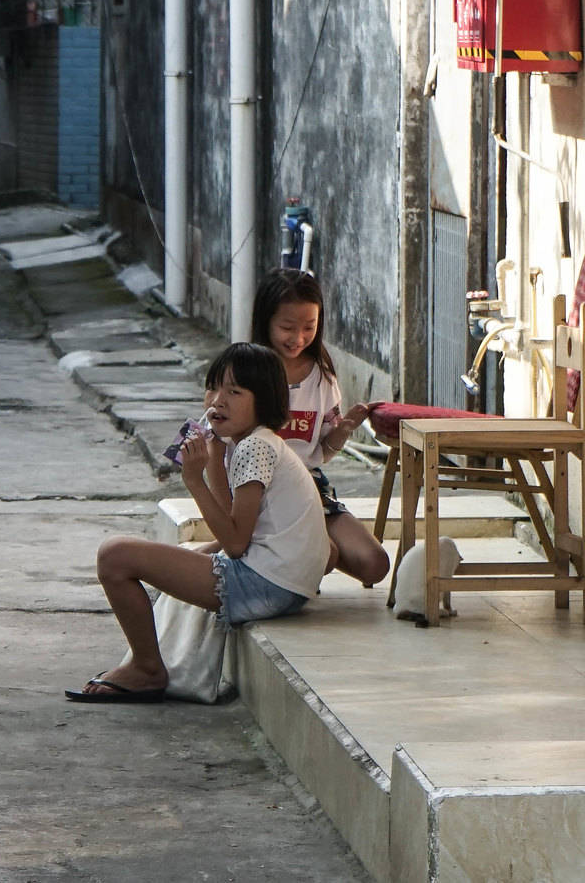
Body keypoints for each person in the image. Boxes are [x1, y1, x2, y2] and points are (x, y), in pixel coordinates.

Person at [66, 343, 331, 702]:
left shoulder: (255, 447)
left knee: (115, 556)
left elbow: (236, 543)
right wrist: (213, 459)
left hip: (267, 586)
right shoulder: (252, 443)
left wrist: (193, 481)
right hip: (285, 584)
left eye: (234, 391)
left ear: (265, 401)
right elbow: (233, 522)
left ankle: (146, 668)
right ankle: (146, 663)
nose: (218, 400)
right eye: (213, 387)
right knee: (188, 551)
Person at [252, 268, 392, 586]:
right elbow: (216, 425)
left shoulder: (322, 378)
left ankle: (297, 550)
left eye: (309, 327)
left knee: (375, 565)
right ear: (266, 321)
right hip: (260, 493)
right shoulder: (247, 371)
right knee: (322, 554)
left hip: (311, 489)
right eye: (287, 327)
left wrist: (343, 430)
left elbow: (322, 453)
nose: (298, 338)